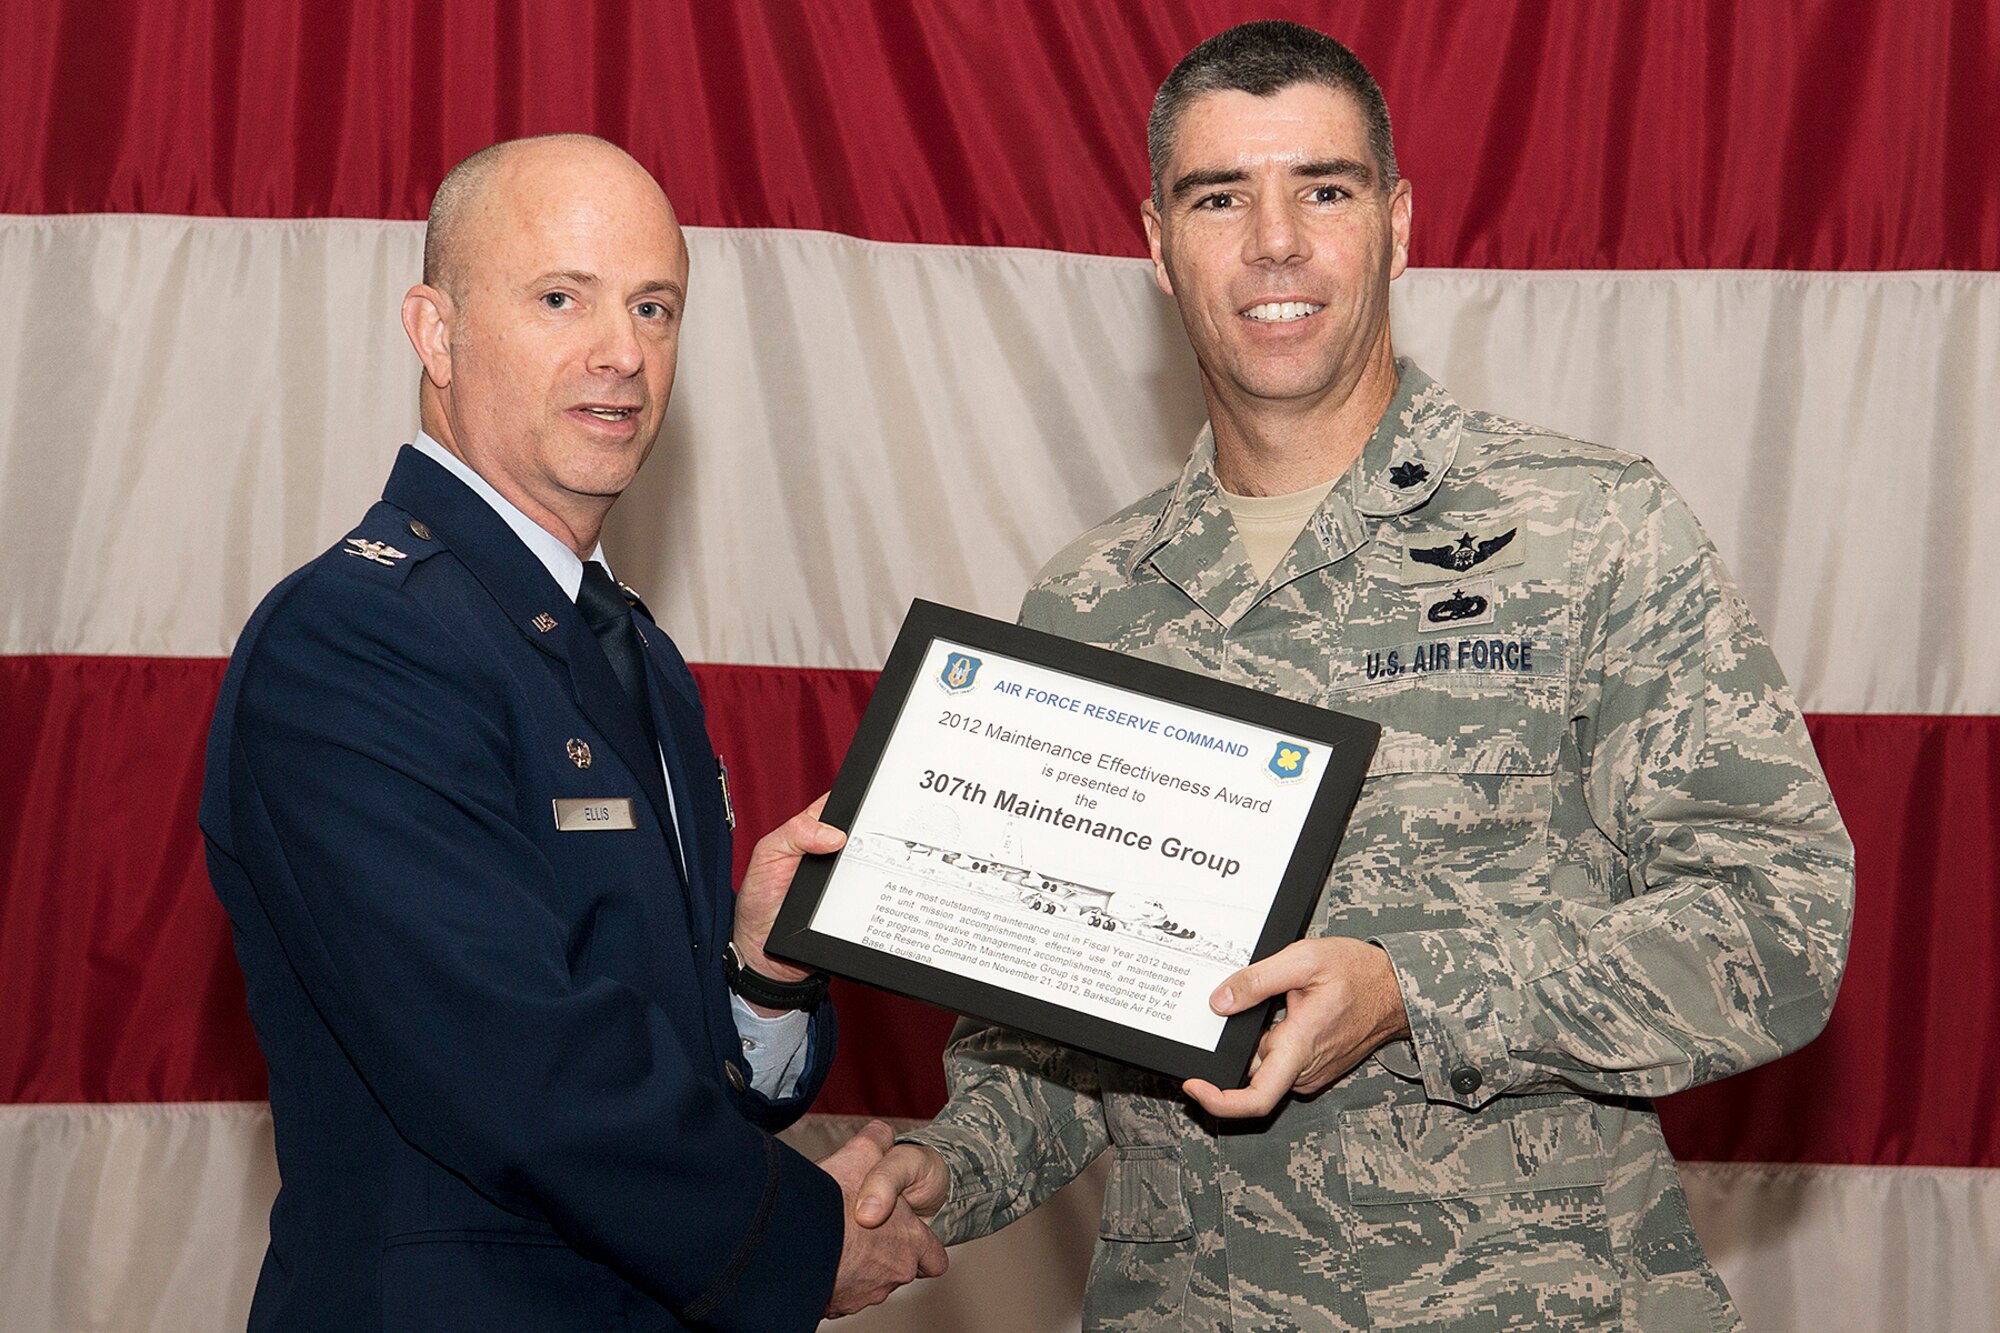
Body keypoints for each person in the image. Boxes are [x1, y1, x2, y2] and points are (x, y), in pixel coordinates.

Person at [851, 21, 1853, 1331]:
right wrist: (946, 1172)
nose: (1275, 243)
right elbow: (1057, 1040)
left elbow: (1778, 930)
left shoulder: (1590, 529)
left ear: (1396, 222)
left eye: (1322, 189)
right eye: (1221, 198)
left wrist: (1408, 993)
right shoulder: (1090, 602)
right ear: (1158, 245)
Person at [199, 134, 944, 1330]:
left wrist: (756, 973)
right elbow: (513, 1065)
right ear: (434, 333)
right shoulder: (353, 639)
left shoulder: (626, 645)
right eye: (561, 298)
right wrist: (801, 1241)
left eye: (655, 307)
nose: (622, 354)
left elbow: (662, 1062)